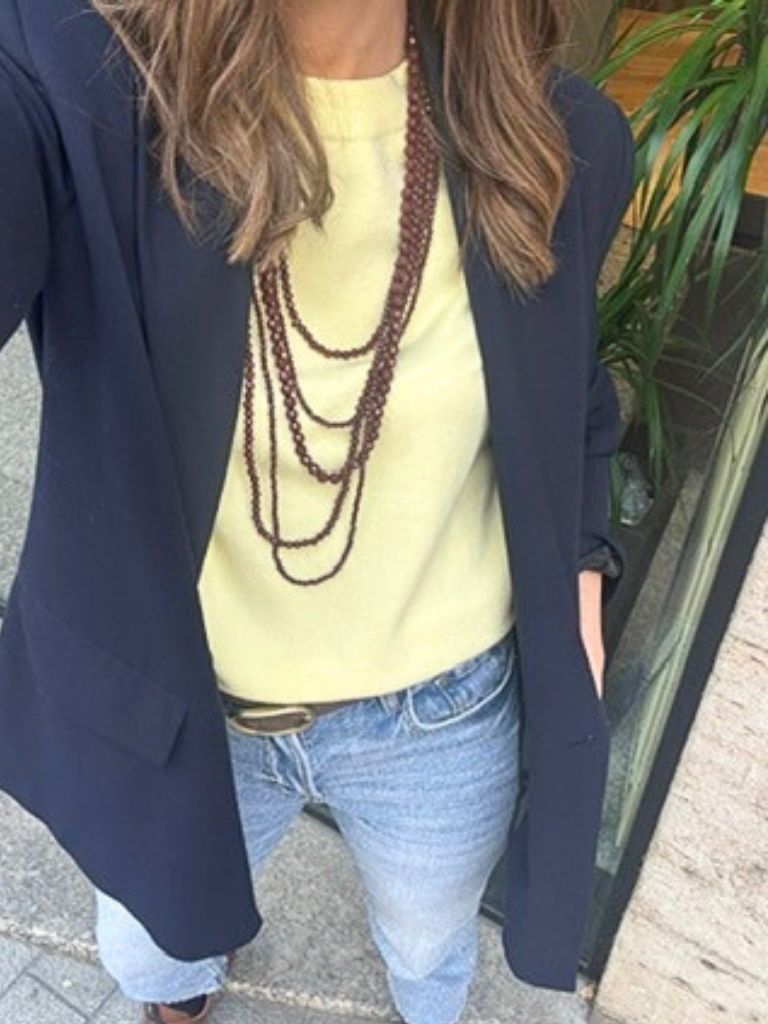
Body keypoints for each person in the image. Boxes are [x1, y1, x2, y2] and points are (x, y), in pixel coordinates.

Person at [0, 1, 635, 1022]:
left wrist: (582, 577)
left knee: (428, 949)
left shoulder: (553, 139)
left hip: (442, 715)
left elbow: (573, 399)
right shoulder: (79, 83)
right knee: (152, 953)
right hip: (184, 709)